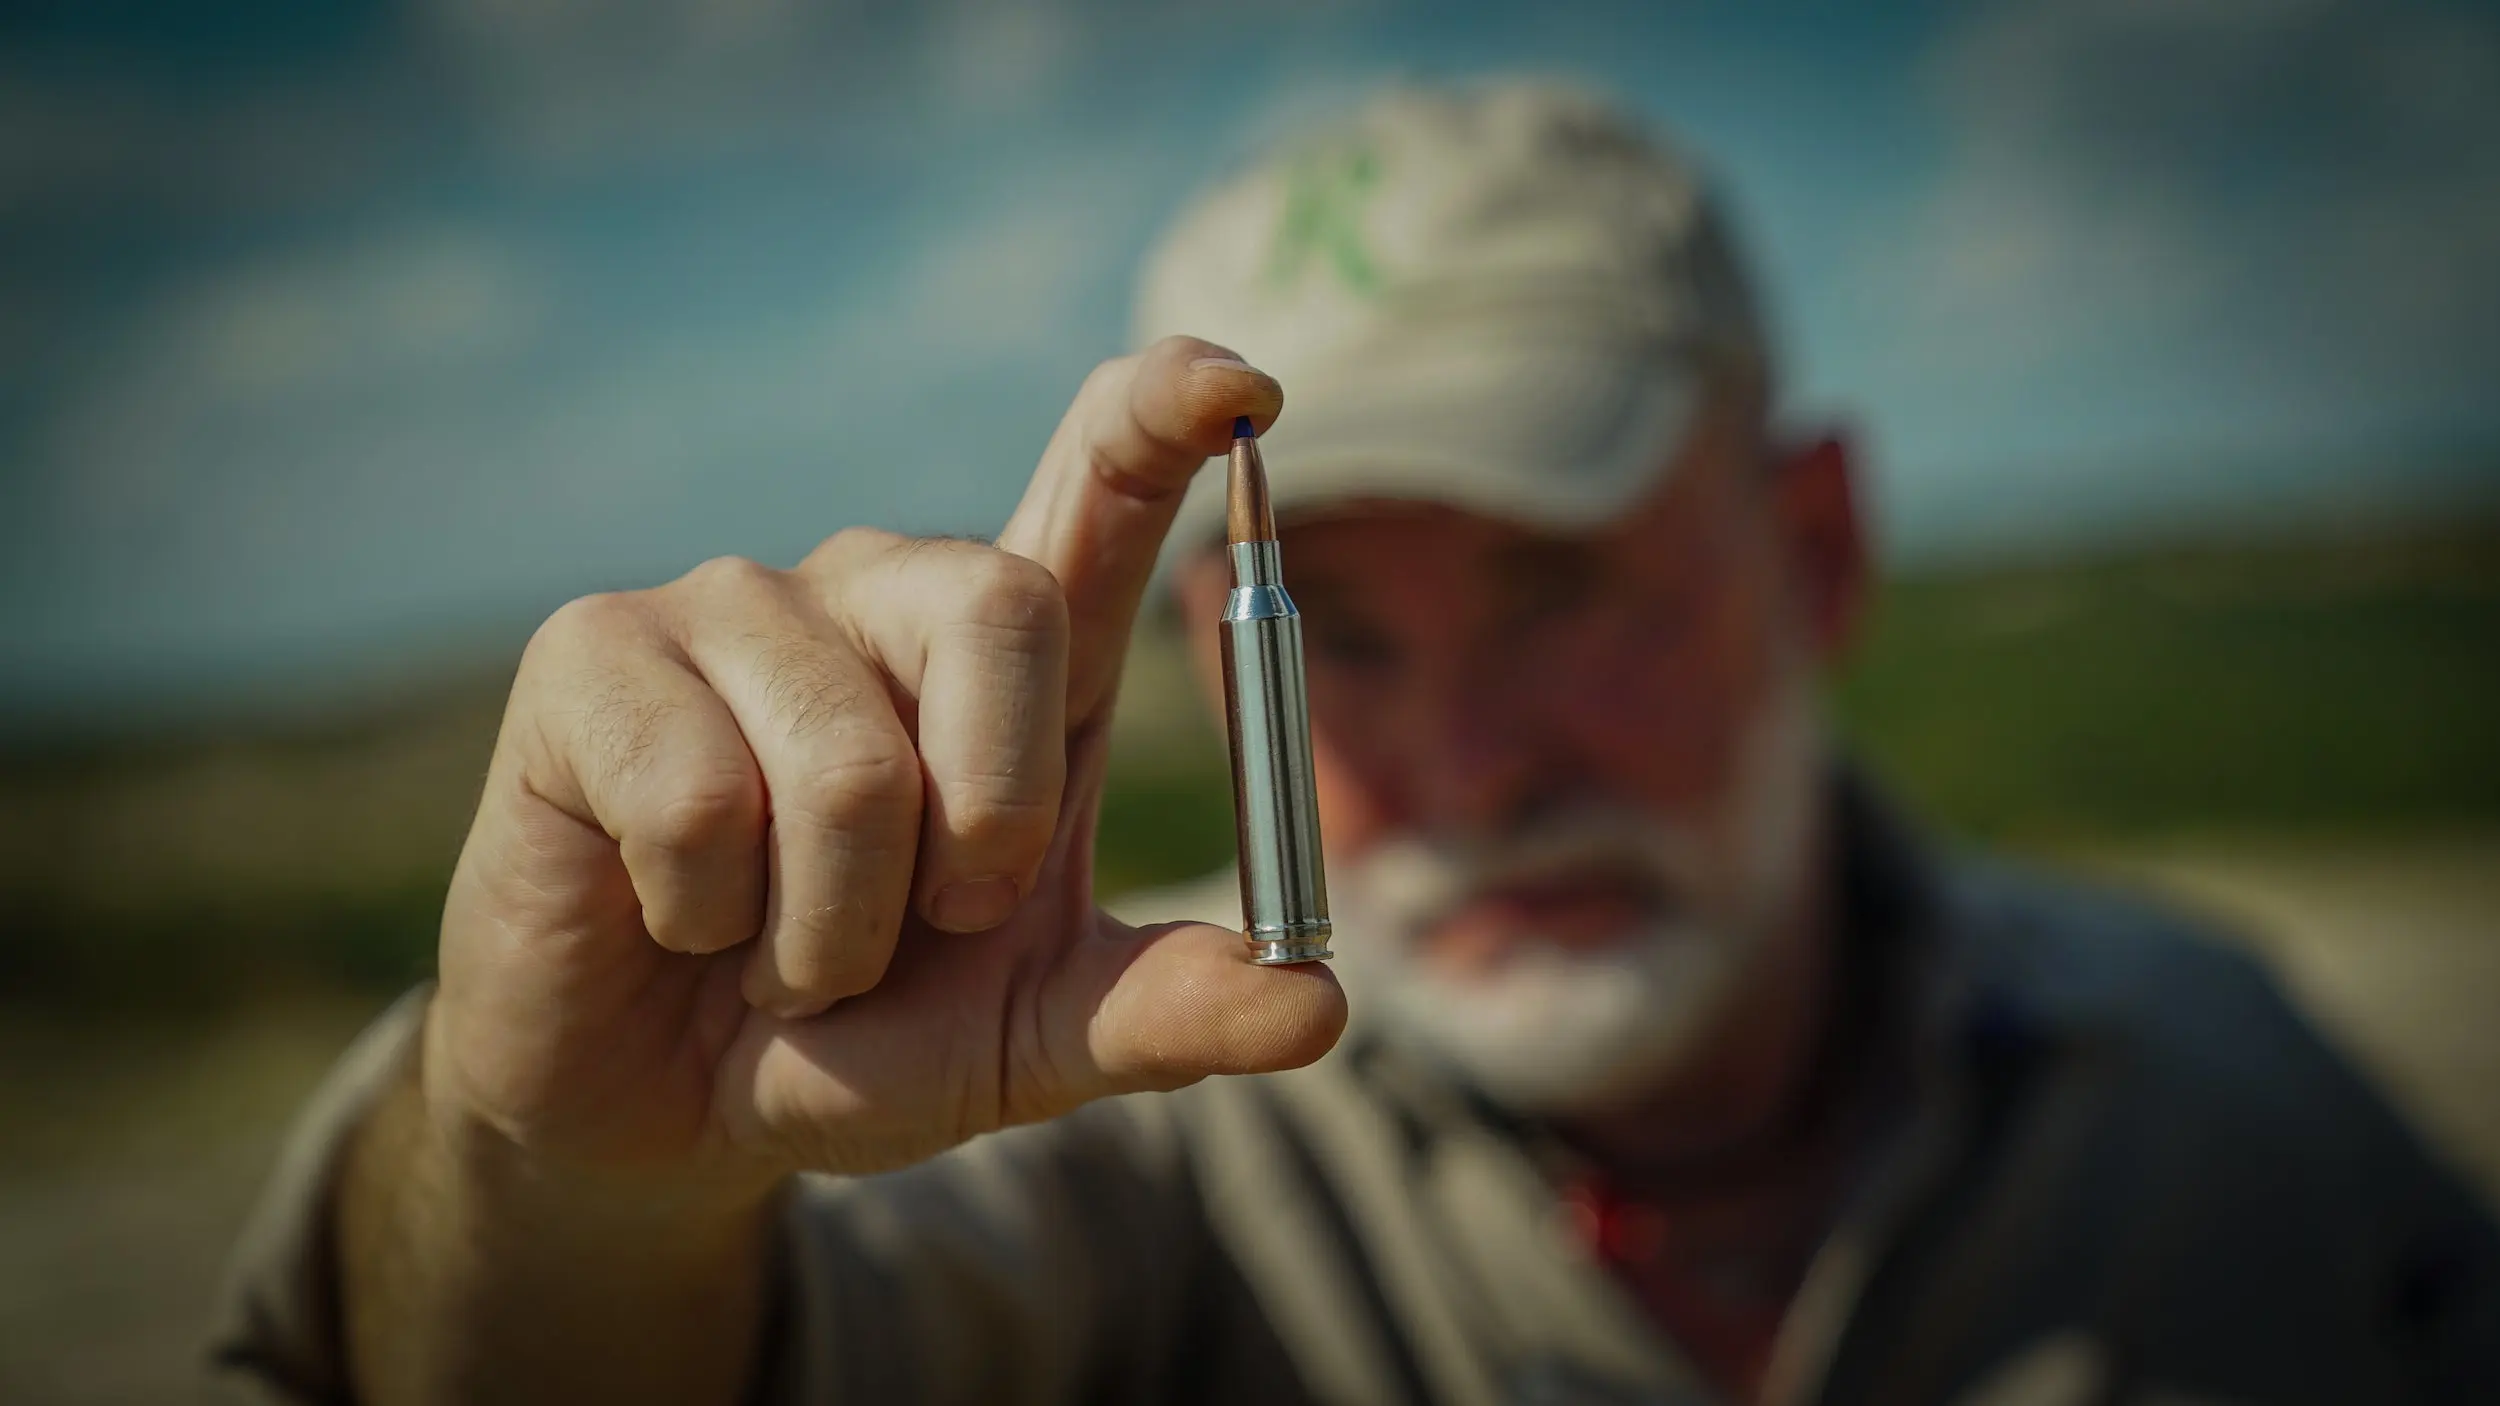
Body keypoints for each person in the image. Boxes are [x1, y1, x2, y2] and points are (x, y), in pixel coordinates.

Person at [211, 82, 2499, 1406]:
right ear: (1228, 662)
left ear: (1810, 548)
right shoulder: (1107, 1132)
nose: (1466, 763)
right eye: (1330, 637)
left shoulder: (2228, 1097)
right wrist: (562, 1179)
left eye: (1558, 582)